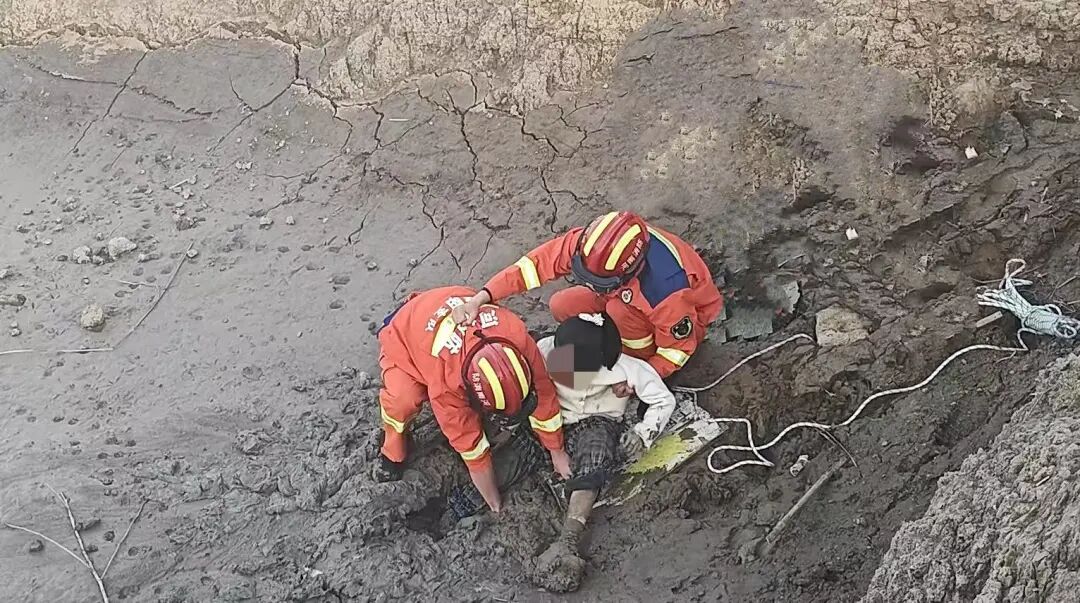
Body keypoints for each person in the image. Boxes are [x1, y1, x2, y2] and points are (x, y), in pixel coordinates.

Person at [452, 210, 723, 379]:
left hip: (683, 320)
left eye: (599, 283)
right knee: (562, 304)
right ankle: (609, 340)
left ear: (627, 274)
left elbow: (677, 349)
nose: (592, 287)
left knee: (618, 311)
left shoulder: (665, 291)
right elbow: (535, 265)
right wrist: (482, 297)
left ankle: (630, 358)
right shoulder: (595, 246)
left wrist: (640, 377)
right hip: (627, 297)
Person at [374, 286, 571, 513]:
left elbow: (544, 392)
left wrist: (557, 451)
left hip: (447, 301)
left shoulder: (516, 335)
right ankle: (392, 453)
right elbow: (472, 450)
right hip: (403, 335)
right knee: (404, 400)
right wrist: (494, 503)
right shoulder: (446, 387)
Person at [531, 312, 676, 592]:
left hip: (597, 422)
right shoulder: (543, 352)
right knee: (515, 453)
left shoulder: (624, 368)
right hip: (552, 420)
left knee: (596, 458)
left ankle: (568, 540)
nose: (572, 373)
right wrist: (553, 446)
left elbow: (662, 399)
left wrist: (642, 433)